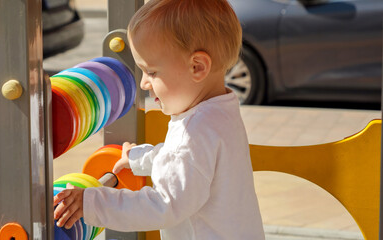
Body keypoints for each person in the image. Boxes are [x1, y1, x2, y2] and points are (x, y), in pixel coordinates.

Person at [53, 0, 265, 239]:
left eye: (152, 72)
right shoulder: (221, 111)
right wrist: (142, 157)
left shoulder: (193, 132)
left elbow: (164, 205)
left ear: (197, 67)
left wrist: (92, 204)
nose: (144, 83)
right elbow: (189, 162)